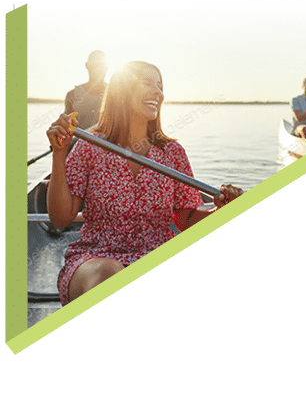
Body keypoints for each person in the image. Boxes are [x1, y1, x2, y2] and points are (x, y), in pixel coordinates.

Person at [47, 61, 244, 306]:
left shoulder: (172, 152)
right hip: (95, 260)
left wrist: (221, 211)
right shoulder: (90, 146)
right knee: (109, 274)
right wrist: (59, 152)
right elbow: (59, 218)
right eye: (148, 84)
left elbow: (186, 218)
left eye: (160, 86)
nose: (158, 93)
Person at [64, 50, 108, 130]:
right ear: (87, 65)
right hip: (78, 141)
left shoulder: (116, 96)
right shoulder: (72, 95)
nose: (98, 69)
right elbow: (66, 128)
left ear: (106, 67)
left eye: (101, 65)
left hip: (105, 142)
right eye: (95, 65)